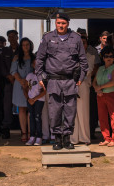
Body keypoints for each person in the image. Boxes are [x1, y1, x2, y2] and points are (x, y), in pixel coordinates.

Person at [35, 11, 89, 150]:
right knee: (55, 111)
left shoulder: (76, 38)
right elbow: (39, 59)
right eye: (58, 23)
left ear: (68, 24)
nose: (61, 25)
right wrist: (40, 76)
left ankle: (67, 139)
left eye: (63, 23)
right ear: (55, 23)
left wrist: (81, 78)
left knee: (70, 111)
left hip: (70, 81)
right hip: (53, 81)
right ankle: (58, 139)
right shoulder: (48, 38)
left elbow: (83, 61)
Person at [93, 47, 114, 146]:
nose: (109, 58)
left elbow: (113, 82)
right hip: (100, 95)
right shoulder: (100, 68)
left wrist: (100, 87)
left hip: (111, 94)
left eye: (111, 56)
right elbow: (94, 82)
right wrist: (97, 88)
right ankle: (106, 138)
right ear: (103, 58)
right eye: (106, 56)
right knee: (102, 117)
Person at [73, 31, 97, 145]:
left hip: (83, 85)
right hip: (71, 85)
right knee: (72, 113)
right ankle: (73, 138)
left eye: (84, 43)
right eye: (80, 43)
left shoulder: (90, 56)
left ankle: (84, 138)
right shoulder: (71, 56)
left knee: (83, 113)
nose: (82, 45)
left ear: (87, 44)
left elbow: (88, 71)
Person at [11, 37, 35, 143]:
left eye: (27, 45)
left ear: (30, 46)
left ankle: (31, 132)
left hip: (31, 87)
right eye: (23, 45)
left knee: (30, 110)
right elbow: (13, 71)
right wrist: (21, 80)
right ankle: (24, 132)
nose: (25, 47)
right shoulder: (16, 58)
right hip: (19, 86)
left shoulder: (34, 57)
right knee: (21, 109)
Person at [25, 60, 46, 146]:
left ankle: (39, 137)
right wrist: (28, 98)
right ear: (32, 65)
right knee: (31, 118)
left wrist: (35, 99)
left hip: (39, 100)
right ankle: (32, 136)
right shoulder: (29, 75)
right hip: (30, 100)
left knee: (37, 117)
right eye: (34, 64)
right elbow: (25, 87)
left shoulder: (43, 75)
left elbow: (45, 90)